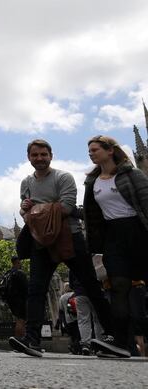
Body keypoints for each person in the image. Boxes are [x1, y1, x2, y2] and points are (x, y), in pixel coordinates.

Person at [9, 139, 121, 358]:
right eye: (35, 155)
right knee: (35, 290)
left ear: (51, 155)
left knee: (90, 287)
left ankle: (113, 335)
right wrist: (26, 210)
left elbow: (67, 207)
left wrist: (35, 211)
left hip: (69, 237)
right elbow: (27, 215)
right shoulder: (26, 183)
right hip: (40, 241)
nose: (39, 158)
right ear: (28, 157)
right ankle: (32, 338)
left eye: (43, 154)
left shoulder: (63, 177)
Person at [83, 135, 148, 358]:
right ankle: (122, 343)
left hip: (137, 231)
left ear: (110, 151)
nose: (91, 153)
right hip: (113, 236)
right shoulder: (92, 183)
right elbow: (91, 216)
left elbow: (146, 202)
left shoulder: (132, 174)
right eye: (89, 150)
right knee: (119, 286)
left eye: (95, 149)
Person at [0, 256, 28, 338]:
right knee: (21, 320)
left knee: (18, 319)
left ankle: (19, 339)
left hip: (11, 300)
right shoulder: (19, 273)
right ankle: (20, 339)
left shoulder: (7, 273)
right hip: (20, 300)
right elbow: (26, 287)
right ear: (17, 262)